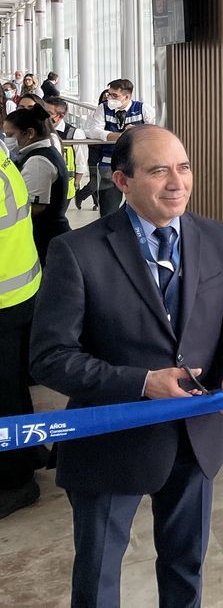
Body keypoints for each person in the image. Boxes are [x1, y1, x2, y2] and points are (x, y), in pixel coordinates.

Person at [29, 125, 223, 606]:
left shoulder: (217, 238)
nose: (177, 182)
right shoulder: (76, 251)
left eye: (183, 167)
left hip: (195, 437)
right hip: (111, 441)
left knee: (186, 568)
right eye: (158, 171)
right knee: (98, 579)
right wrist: (143, 383)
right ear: (123, 181)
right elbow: (50, 358)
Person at [0, 137, 43, 520]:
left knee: (4, 395)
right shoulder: (4, 157)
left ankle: (17, 481)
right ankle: (30, 449)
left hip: (5, 300)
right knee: (11, 385)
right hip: (17, 293)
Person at [3, 104, 70, 264]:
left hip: (45, 237)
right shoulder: (40, 154)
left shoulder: (38, 162)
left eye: (10, 134)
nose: (7, 140)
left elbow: (36, 207)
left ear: (30, 133)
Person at [83, 78, 156, 217]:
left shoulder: (142, 109)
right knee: (108, 209)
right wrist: (120, 136)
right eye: (109, 94)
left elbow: (155, 131)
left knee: (141, 206)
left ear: (127, 97)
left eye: (114, 95)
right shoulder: (103, 108)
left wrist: (136, 131)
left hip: (137, 163)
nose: (110, 98)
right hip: (108, 164)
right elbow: (94, 131)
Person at [45, 95, 89, 202]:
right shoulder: (38, 130)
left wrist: (77, 182)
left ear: (60, 116)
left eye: (49, 113)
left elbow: (81, 160)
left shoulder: (74, 134)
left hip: (64, 185)